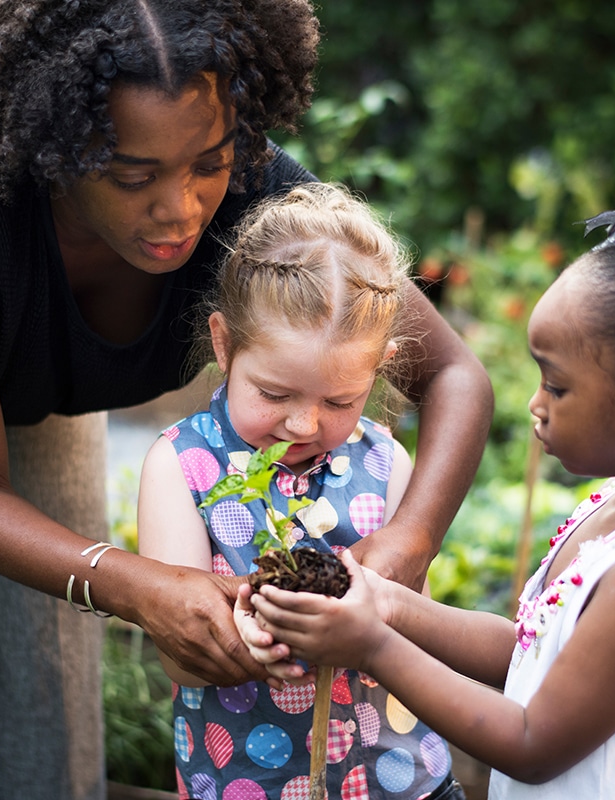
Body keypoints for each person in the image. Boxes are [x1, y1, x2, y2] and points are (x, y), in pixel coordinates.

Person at [0, 1, 494, 798]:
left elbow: (454, 375)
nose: (181, 209)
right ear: (54, 151)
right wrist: (137, 583)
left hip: (34, 382)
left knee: (50, 714)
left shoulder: (257, 196)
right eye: (132, 175)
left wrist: (409, 543)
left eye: (207, 163)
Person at [243, 171, 615, 799]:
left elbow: (533, 742)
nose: (535, 404)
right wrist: (390, 605)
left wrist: (373, 646)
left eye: (557, 387)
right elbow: (529, 656)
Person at [138, 182, 466, 800]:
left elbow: (409, 623)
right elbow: (178, 656)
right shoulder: (182, 467)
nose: (305, 425)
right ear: (225, 344)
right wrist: (246, 636)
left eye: (340, 400)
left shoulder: (384, 461)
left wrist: (377, 613)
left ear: (382, 365)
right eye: (275, 394)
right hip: (248, 781)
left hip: (396, 777)